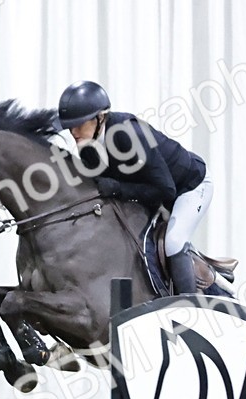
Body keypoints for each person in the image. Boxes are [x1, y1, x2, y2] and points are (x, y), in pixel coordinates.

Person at [57, 80, 212, 295]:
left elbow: (166, 190)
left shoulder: (128, 134)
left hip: (190, 187)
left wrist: (119, 188)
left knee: (174, 242)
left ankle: (191, 308)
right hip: (156, 193)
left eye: (79, 124)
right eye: (69, 127)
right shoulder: (88, 146)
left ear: (100, 117)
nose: (73, 132)